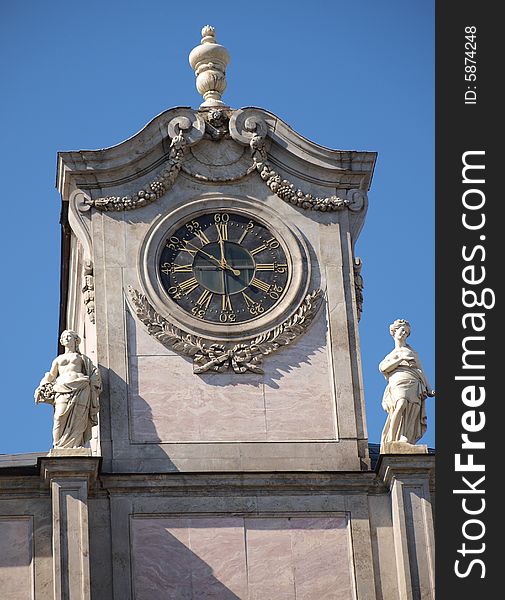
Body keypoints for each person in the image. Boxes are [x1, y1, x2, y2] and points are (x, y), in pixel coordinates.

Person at [35, 330, 101, 449]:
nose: (66, 338)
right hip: (61, 388)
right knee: (59, 416)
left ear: (75, 340)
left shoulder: (82, 358)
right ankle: (58, 445)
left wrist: (93, 383)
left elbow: (93, 372)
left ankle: (76, 445)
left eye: (68, 336)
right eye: (64, 337)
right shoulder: (58, 359)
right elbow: (50, 375)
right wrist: (42, 385)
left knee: (79, 417)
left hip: (81, 387)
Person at [379, 319, 435, 451]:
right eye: (402, 330)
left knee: (413, 410)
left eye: (407, 331)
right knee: (401, 404)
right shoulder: (391, 354)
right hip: (399, 380)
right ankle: (392, 439)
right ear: (394, 332)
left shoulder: (413, 352)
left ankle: (405, 437)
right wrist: (401, 359)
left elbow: (420, 370)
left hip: (414, 380)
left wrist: (429, 388)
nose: (404, 333)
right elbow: (383, 368)